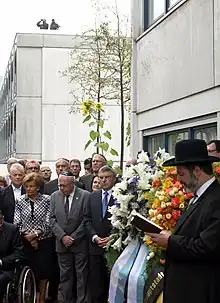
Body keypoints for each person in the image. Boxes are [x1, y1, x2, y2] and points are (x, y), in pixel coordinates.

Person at [147, 139, 220, 303]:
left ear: (197, 170)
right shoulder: (198, 197)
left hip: (199, 291)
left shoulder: (215, 200)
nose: (179, 180)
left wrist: (170, 241)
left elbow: (206, 247)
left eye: (181, 174)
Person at [50, 170, 90, 303]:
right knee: (65, 275)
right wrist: (62, 237)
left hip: (79, 243)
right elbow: (51, 219)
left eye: (64, 186)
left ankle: (82, 300)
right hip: (61, 243)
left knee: (81, 275)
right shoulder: (54, 196)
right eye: (59, 185)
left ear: (73, 183)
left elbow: (86, 220)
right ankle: (65, 300)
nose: (61, 188)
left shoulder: (85, 196)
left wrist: (73, 237)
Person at [14, 173, 53, 303]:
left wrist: (36, 235)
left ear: (38, 187)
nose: (29, 189)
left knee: (43, 270)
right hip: (26, 241)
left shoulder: (47, 200)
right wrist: (29, 237)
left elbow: (49, 222)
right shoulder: (20, 200)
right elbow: (17, 223)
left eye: (31, 186)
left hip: (44, 240)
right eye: (26, 186)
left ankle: (42, 297)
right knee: (28, 267)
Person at [85, 166, 117, 303]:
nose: (103, 181)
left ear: (114, 178)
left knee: (112, 282)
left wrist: (113, 238)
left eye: (107, 177)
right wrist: (94, 237)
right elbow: (86, 220)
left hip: (114, 246)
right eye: (101, 178)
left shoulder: (121, 195)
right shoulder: (92, 197)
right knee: (96, 284)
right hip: (95, 247)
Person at [0, 210, 23, 302]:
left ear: (2, 218)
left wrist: (2, 261)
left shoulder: (12, 229)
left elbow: (18, 252)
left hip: (6, 268)